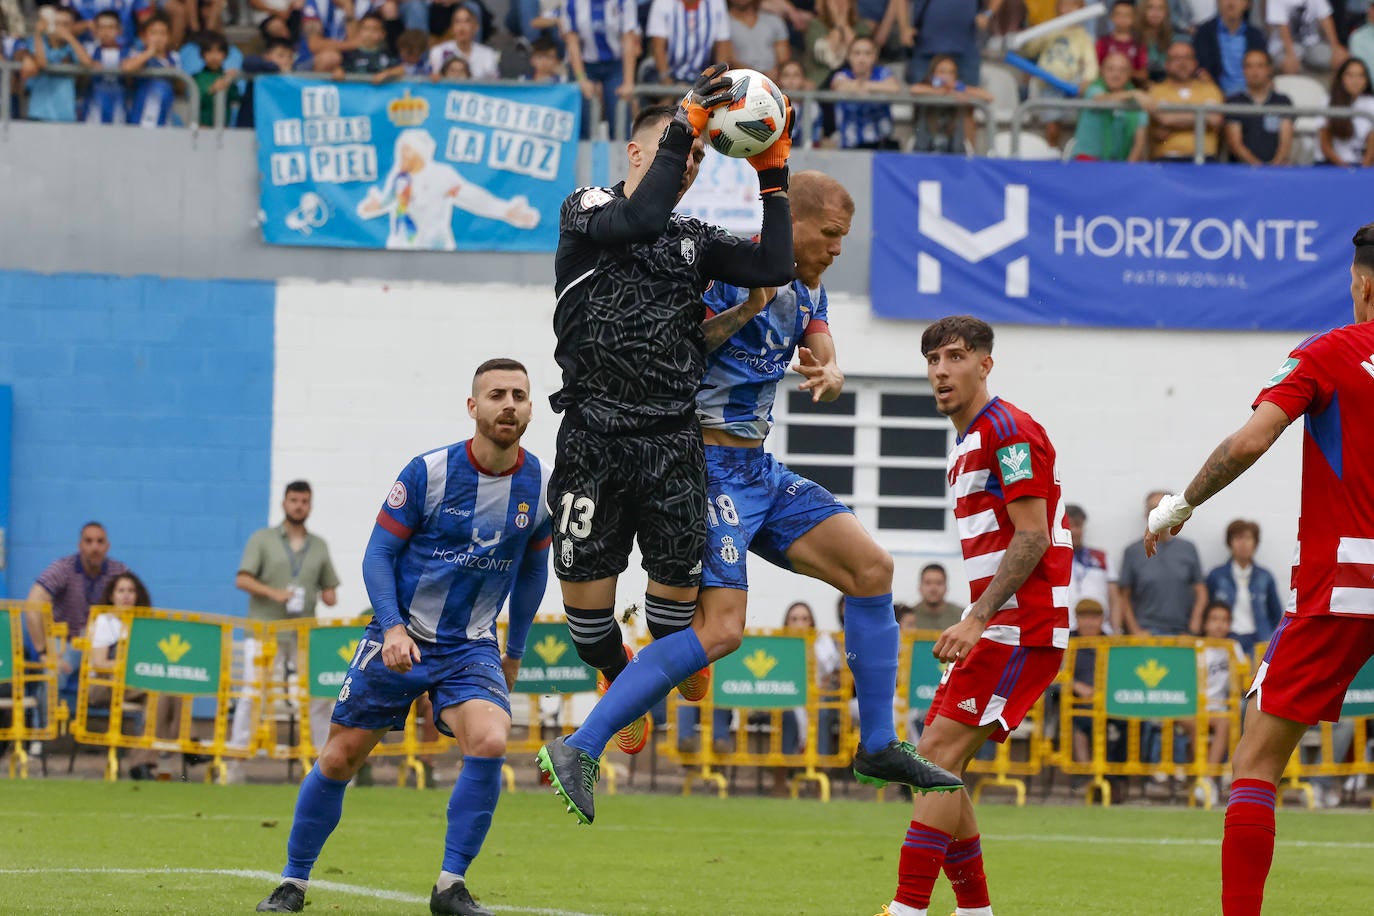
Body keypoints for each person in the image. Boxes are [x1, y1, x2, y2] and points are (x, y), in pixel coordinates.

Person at [536, 71, 798, 824]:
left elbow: (774, 267)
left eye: (691, 164)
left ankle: (644, 680)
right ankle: (619, 679)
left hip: (670, 441)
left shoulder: (693, 240)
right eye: (672, 154)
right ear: (631, 150)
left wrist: (772, 170)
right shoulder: (586, 210)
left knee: (674, 615)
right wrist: (687, 121)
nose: (683, 171)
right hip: (591, 436)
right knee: (588, 623)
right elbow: (643, 212)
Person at [255, 359, 552, 916]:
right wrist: (391, 627)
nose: (508, 403)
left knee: (490, 741)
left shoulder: (538, 486)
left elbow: (535, 569)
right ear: (473, 408)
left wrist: (515, 650)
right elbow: (378, 554)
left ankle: (450, 885)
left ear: (532, 407)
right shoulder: (429, 472)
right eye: (496, 395)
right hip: (402, 634)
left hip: (470, 646)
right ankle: (292, 883)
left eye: (518, 394)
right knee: (341, 758)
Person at [1142, 224, 1374, 914]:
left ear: (1359, 283)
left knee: (1257, 762)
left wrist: (1181, 504)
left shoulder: (1329, 353)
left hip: (1346, 585)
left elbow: (1250, 441)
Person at [876, 315, 1071, 916]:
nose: (941, 371)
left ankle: (908, 910)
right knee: (940, 762)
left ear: (985, 363)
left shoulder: (1008, 431)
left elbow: (1032, 536)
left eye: (955, 357)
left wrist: (976, 617)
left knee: (933, 757)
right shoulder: (967, 442)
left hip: (1021, 626)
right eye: (932, 359)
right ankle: (975, 913)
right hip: (1003, 626)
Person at [228, 480, 341, 780]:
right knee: (254, 694)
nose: (298, 506)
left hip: (304, 633)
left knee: (318, 697)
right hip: (266, 630)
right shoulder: (262, 539)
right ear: (283, 503)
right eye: (294, 500)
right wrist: (273, 593)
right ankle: (235, 766)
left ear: (310, 505)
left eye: (304, 501)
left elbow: (330, 591)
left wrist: (329, 594)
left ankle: (326, 766)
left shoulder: (318, 545)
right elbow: (242, 579)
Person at [356, 130, 540, 250]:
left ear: (419, 152)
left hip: (434, 250)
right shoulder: (399, 178)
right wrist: (375, 205)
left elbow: (471, 197)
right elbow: (388, 200)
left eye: (407, 150)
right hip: (401, 247)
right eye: (401, 150)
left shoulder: (440, 175)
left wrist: (505, 210)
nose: (402, 155)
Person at [85, 572, 185, 781]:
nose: (126, 596)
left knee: (163, 693)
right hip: (104, 685)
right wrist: (134, 667)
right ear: (112, 596)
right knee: (162, 685)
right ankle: (183, 741)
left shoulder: (145, 624)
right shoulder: (105, 620)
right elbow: (101, 663)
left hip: (136, 684)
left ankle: (142, 764)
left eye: (131, 591)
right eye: (121, 591)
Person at [1118, 490, 1207, 635]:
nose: (1158, 514)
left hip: (1182, 633)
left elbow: (1201, 591)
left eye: (1162, 509)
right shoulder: (1132, 552)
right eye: (1153, 509)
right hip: (1146, 633)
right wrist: (1135, 630)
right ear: (1146, 515)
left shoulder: (1188, 549)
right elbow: (1123, 596)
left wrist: (1194, 625)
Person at [1022, 0, 1099, 148]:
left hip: (1071, 86)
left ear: (1081, 9)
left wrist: (1087, 80)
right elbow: (1029, 50)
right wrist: (1031, 36)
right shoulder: (1050, 29)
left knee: (1076, 125)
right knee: (1052, 124)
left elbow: (1090, 63)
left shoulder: (1083, 36)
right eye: (1065, 5)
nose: (1068, 9)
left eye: (1073, 5)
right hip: (1048, 84)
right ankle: (1051, 150)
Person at [1205, 520, 1284, 656]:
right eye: (1238, 538)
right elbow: (1207, 608)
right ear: (1230, 542)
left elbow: (1276, 613)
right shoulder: (1216, 575)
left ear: (1255, 543)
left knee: (1254, 677)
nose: (1243, 544)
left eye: (1248, 538)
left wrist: (1266, 634)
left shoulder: (1265, 577)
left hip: (1257, 640)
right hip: (1226, 639)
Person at [561, 0, 639, 134]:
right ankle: (581, 154)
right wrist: (581, 79)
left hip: (615, 65)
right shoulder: (571, 3)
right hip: (585, 65)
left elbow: (628, 40)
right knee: (582, 118)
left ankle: (621, 154)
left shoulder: (624, 2)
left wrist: (629, 81)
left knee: (619, 118)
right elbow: (572, 42)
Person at [1148, 40, 1224, 161]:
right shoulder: (1155, 91)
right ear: (1166, 64)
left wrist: (1174, 122)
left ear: (1195, 63)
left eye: (1187, 58)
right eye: (1176, 58)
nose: (1182, 63)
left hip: (1205, 160)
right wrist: (1202, 119)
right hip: (1166, 160)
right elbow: (1165, 119)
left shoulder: (1210, 89)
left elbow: (1215, 120)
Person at [1073, 50, 1154, 161]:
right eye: (1110, 69)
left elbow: (1138, 145)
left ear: (1130, 73)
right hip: (1085, 162)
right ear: (1101, 71)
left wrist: (1126, 172)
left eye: (1122, 70)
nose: (1116, 75)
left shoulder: (1137, 101)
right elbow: (1101, 100)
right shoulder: (1094, 89)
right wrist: (1133, 93)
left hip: (1117, 165)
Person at [909, 53, 992, 154]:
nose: (946, 76)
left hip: (954, 151)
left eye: (950, 72)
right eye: (942, 72)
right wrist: (944, 92)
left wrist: (961, 89)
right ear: (932, 74)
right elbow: (914, 89)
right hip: (925, 149)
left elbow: (989, 97)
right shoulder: (926, 88)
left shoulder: (959, 90)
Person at [1224, 49, 1294, 166]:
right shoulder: (1233, 102)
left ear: (1269, 69)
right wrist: (1258, 168)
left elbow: (1285, 141)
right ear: (1243, 70)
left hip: (1277, 169)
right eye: (1249, 66)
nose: (1254, 72)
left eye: (1260, 66)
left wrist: (1274, 166)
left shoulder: (1283, 101)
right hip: (1241, 170)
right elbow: (1235, 143)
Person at [830, 35, 900, 149]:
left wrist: (863, 86)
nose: (862, 59)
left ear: (875, 57)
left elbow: (894, 88)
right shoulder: (841, 75)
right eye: (857, 53)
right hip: (849, 146)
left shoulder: (883, 72)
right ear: (849, 56)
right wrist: (875, 88)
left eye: (867, 54)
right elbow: (839, 86)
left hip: (880, 146)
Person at [28, 6, 93, 123]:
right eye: (56, 23)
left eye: (65, 24)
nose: (60, 28)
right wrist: (38, 33)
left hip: (65, 114)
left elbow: (87, 63)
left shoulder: (73, 46)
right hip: (39, 112)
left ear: (73, 26)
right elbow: (42, 63)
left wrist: (70, 38)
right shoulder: (37, 41)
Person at [646, 0, 734, 85]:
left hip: (703, 76)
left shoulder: (716, 3)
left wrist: (718, 80)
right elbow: (658, 49)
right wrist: (668, 83)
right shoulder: (662, 2)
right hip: (668, 75)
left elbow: (723, 47)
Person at [121, 12, 181, 129]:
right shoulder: (137, 54)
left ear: (169, 37)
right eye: (153, 33)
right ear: (144, 37)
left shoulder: (174, 58)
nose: (158, 38)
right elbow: (126, 68)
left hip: (165, 115)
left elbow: (180, 86)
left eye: (162, 33)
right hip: (140, 114)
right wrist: (149, 53)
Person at [1065, 504, 1117, 631]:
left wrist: (1116, 629)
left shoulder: (1101, 557)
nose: (1073, 531)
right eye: (1068, 526)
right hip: (1064, 632)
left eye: (1077, 526)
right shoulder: (1051, 559)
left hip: (1100, 633)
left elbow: (1114, 597)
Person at [1318, 56, 1374, 166]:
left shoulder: (1371, 103)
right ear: (1341, 78)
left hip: (1361, 166)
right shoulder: (1327, 101)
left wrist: (1363, 168)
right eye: (1350, 75)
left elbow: (1372, 144)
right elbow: (1325, 145)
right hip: (1331, 165)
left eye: (1361, 75)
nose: (1356, 80)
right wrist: (1345, 168)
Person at [1267, 0, 1348, 74]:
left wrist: (1335, 48)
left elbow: (1325, 18)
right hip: (1284, 47)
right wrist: (1290, 55)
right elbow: (1282, 26)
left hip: (1312, 45)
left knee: (1342, 58)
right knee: (1290, 62)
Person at [802, 0, 870, 87]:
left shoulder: (861, 27)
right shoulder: (815, 25)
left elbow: (859, 51)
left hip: (854, 83)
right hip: (820, 83)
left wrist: (844, 25)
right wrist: (838, 25)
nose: (839, 3)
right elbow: (825, 55)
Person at [235, 37, 295, 129]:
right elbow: (248, 62)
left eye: (290, 56)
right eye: (281, 56)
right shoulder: (258, 71)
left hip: (278, 131)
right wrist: (276, 69)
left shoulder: (296, 78)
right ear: (266, 56)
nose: (286, 60)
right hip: (250, 130)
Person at [83, 9, 130, 124]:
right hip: (93, 108)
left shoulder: (129, 52)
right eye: (101, 27)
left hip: (120, 108)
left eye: (111, 27)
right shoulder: (88, 50)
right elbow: (86, 63)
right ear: (95, 31)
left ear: (120, 30)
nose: (106, 32)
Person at [428, 6, 500, 78]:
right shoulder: (438, 52)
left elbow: (493, 86)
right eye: (457, 22)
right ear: (452, 28)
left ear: (476, 27)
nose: (461, 27)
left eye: (467, 21)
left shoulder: (488, 55)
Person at [728, 0, 790, 77]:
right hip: (738, 81)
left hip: (775, 81)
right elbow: (727, 60)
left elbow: (784, 59)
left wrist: (776, 74)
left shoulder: (774, 20)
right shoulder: (722, 24)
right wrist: (757, 76)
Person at [193, 31, 241, 126]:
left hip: (224, 129)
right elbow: (199, 100)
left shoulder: (228, 77)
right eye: (210, 52)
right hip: (202, 129)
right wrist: (214, 89)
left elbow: (235, 97)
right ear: (203, 54)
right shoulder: (196, 77)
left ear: (225, 54)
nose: (214, 56)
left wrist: (229, 81)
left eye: (218, 51)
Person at [1098, 0, 1147, 84]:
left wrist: (1123, 72)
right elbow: (1097, 69)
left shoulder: (1138, 45)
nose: (1123, 19)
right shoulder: (1103, 42)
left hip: (1131, 86)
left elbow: (1143, 74)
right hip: (1105, 85)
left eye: (1127, 15)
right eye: (1119, 14)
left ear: (1134, 18)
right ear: (1111, 17)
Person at [911, 563, 963, 633]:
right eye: (928, 583)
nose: (933, 589)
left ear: (946, 587)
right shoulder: (909, 617)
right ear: (920, 587)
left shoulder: (962, 616)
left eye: (939, 583)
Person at [1139, 0, 1174, 82]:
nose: (1155, 12)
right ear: (1143, 11)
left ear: (1166, 13)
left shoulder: (1173, 38)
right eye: (1150, 7)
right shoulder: (1133, 36)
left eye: (1160, 8)